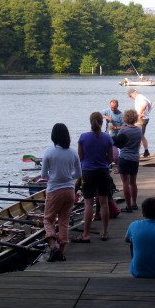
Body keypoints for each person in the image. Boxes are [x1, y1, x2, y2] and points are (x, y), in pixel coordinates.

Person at [40, 123, 82, 262]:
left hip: (54, 190)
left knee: (48, 219)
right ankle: (61, 251)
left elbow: (44, 176)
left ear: (54, 136)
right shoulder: (73, 152)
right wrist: (67, 176)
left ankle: (53, 247)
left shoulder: (49, 152)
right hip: (70, 190)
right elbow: (78, 173)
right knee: (63, 222)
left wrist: (54, 176)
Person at [73, 112, 113, 242]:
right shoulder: (107, 138)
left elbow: (81, 157)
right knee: (104, 202)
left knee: (88, 203)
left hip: (88, 173)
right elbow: (111, 158)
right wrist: (103, 164)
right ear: (102, 122)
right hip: (103, 172)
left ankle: (86, 234)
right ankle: (105, 232)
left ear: (90, 122)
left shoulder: (83, 137)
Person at [117, 109, 143, 213]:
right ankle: (134, 203)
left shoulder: (123, 131)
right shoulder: (139, 130)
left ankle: (128, 206)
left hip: (124, 158)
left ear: (125, 118)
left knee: (125, 183)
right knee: (133, 182)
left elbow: (119, 144)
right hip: (135, 158)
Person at [127, 88, 152, 157]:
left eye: (130, 96)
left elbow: (145, 105)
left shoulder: (138, 98)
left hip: (141, 119)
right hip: (145, 118)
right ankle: (146, 151)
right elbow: (150, 103)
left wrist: (140, 113)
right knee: (141, 135)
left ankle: (136, 153)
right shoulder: (142, 97)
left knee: (137, 135)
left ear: (133, 93)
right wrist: (147, 111)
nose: (131, 98)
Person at [101, 99, 124, 169]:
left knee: (115, 154)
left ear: (118, 106)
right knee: (104, 151)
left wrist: (115, 127)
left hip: (116, 137)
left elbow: (124, 127)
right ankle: (107, 165)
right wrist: (105, 117)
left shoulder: (121, 115)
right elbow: (97, 115)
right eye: (112, 108)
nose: (113, 109)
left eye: (115, 108)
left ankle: (117, 166)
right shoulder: (107, 111)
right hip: (107, 135)